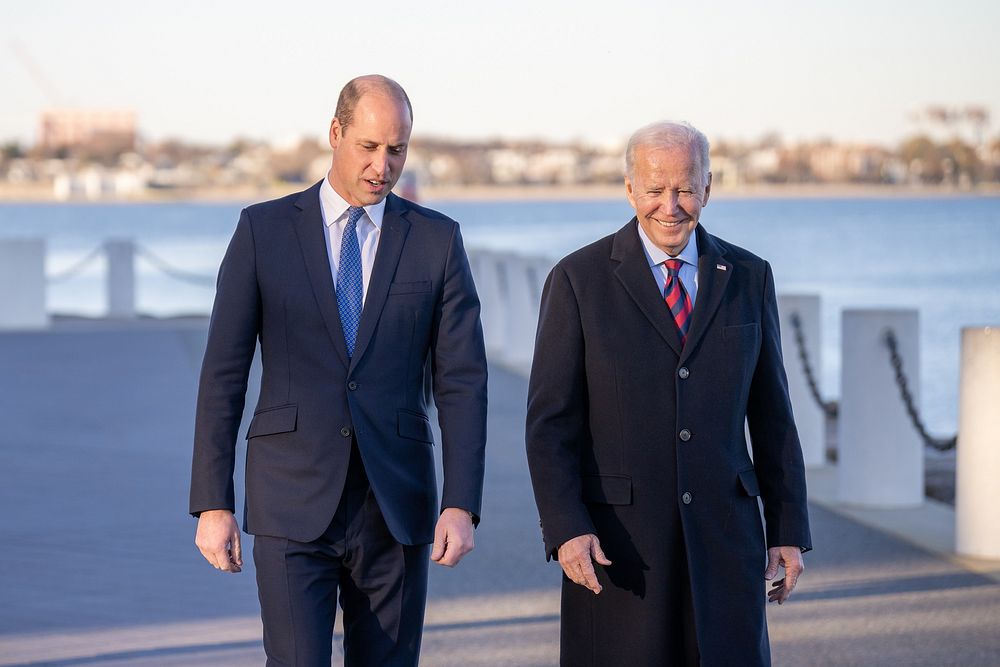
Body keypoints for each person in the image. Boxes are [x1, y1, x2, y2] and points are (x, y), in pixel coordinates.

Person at [189, 74, 488, 666]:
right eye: (369, 147)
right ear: (335, 134)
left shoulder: (436, 241)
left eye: (397, 149)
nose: (384, 165)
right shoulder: (262, 231)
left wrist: (461, 501)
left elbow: (462, 381)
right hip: (289, 499)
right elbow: (224, 372)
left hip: (396, 506)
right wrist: (211, 502)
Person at [525, 121, 811, 666]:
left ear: (708, 186)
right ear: (630, 189)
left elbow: (774, 415)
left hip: (726, 544)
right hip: (619, 551)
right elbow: (550, 425)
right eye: (655, 190)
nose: (670, 206)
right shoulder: (577, 280)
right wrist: (566, 529)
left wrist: (788, 529)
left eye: (684, 188)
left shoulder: (750, 276)